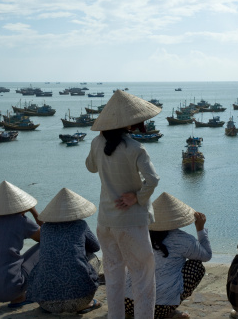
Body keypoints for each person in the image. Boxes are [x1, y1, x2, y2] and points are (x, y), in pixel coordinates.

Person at [85, 90, 162, 319]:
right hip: (130, 222)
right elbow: (153, 179)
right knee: (142, 278)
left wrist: (100, 142)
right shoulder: (136, 148)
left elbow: (90, 167)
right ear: (129, 123)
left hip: (106, 222)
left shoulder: (97, 143)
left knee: (113, 276)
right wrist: (136, 197)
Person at [124, 192, 212, 319]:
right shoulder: (183, 239)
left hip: (128, 303)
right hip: (159, 308)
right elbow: (207, 255)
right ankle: (168, 311)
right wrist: (200, 229)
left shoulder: (139, 234)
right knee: (196, 265)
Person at [26, 188, 102, 314]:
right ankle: (86, 303)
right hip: (80, 300)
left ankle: (51, 301)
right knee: (93, 258)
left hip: (45, 302)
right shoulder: (80, 225)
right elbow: (96, 247)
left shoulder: (45, 228)